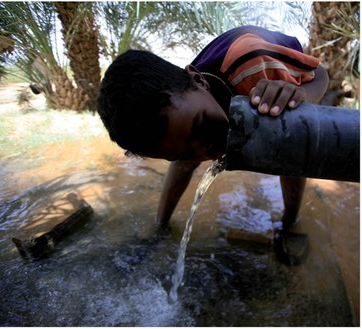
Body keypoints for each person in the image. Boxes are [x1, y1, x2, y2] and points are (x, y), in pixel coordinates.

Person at [97, 25, 329, 234]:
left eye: (202, 124)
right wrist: (161, 226)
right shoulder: (186, 107)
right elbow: (187, 147)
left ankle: (291, 222)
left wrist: (302, 97)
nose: (205, 152)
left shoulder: (256, 70)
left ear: (198, 80)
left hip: (275, 61)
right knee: (186, 154)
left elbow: (320, 73)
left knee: (290, 137)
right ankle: (160, 222)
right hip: (219, 78)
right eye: (184, 153)